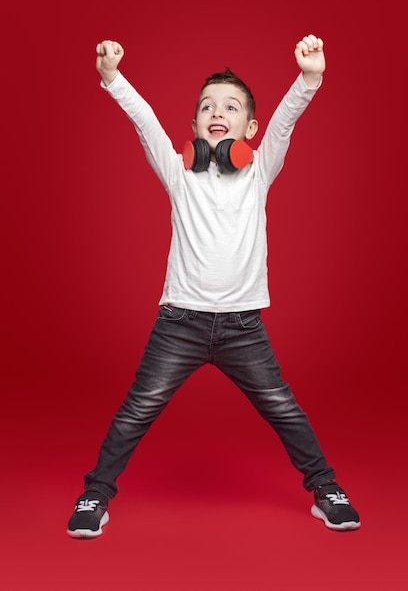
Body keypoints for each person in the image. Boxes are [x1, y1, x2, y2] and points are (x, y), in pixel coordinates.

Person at [67, 34, 360, 538]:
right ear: (196, 127)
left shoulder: (259, 172)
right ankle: (96, 493)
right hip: (179, 321)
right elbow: (145, 123)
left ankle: (325, 488)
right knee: (138, 408)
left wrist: (309, 77)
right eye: (206, 106)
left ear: (249, 126)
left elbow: (286, 120)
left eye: (229, 106)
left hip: (244, 326)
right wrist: (112, 77)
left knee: (283, 407)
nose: (215, 111)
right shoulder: (180, 176)